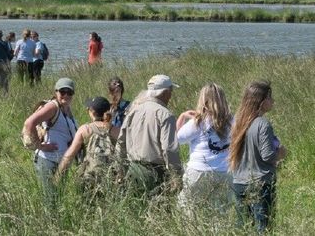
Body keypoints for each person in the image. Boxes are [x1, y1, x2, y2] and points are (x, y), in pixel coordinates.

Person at [229, 80, 287, 233]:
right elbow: (268, 156)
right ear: (261, 101)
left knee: (244, 227)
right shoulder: (263, 124)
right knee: (264, 229)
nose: (273, 101)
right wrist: (281, 154)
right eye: (269, 97)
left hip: (239, 182)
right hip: (259, 183)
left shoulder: (239, 121)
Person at [116, 74, 181, 197]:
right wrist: (176, 177)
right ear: (165, 93)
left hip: (132, 171)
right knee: (157, 208)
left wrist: (120, 171)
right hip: (155, 174)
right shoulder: (165, 115)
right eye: (171, 91)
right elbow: (169, 149)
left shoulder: (133, 111)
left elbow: (121, 143)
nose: (171, 96)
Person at [176, 83, 235, 216]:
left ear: (203, 101)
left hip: (199, 171)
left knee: (188, 208)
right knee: (220, 213)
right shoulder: (232, 121)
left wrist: (182, 117)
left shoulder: (198, 122)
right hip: (224, 171)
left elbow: (177, 139)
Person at [22, 78, 79, 204]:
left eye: (69, 92)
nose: (66, 95)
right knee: (50, 201)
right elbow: (29, 123)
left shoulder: (66, 108)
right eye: (62, 92)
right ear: (56, 92)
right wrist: (39, 146)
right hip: (48, 161)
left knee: (58, 199)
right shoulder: (53, 107)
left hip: (62, 163)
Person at [56, 96, 117, 200]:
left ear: (92, 112)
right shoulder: (115, 130)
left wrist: (58, 175)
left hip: (89, 177)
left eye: (88, 108)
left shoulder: (85, 129)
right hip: (110, 178)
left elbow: (70, 155)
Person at [107, 77, 131, 141]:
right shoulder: (107, 106)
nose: (116, 95)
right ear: (110, 92)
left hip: (124, 138)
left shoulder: (128, 105)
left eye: (118, 91)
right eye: (114, 92)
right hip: (110, 138)